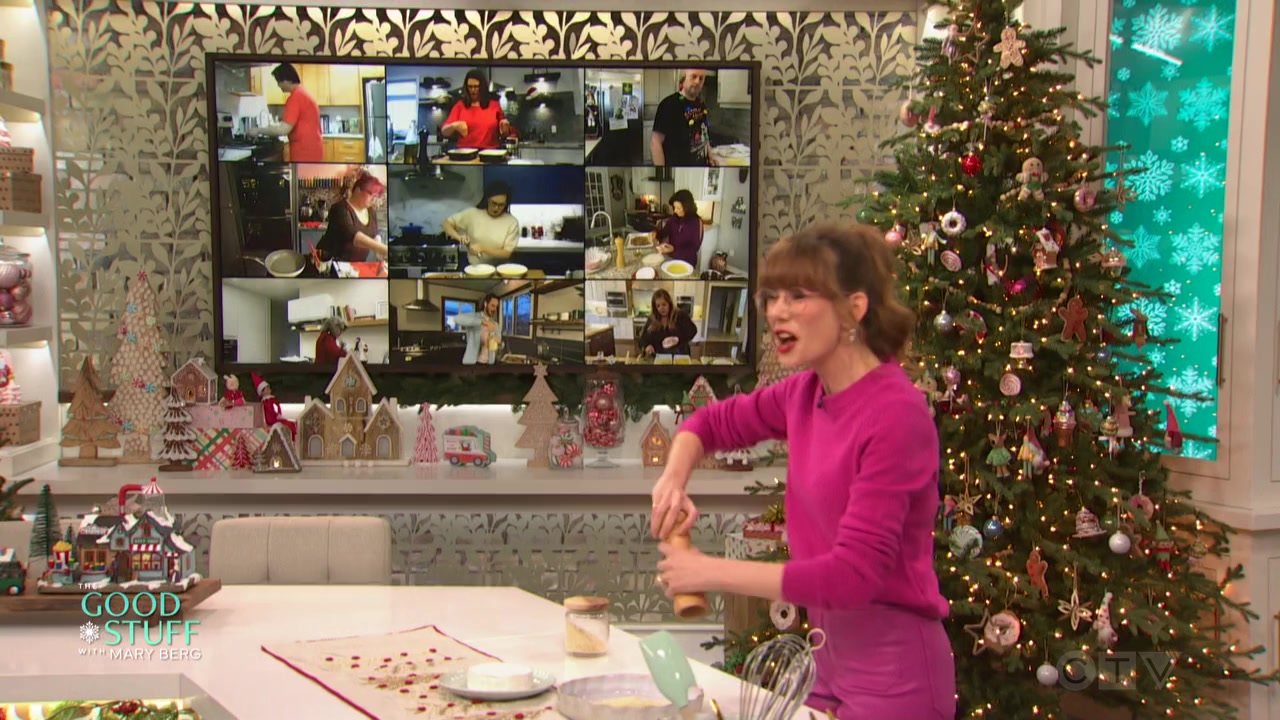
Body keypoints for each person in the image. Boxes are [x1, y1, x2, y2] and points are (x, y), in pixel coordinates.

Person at [649, 222, 955, 720]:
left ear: (854, 308)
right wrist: (672, 480)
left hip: (895, 673)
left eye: (798, 296)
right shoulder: (805, 392)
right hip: (825, 663)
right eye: (771, 297)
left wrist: (708, 571)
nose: (776, 312)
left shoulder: (896, 414)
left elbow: (853, 577)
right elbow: (708, 423)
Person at [250, 63, 324, 162]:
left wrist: (258, 130)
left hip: (304, 151)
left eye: (278, 81)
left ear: (286, 80)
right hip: (313, 149)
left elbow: (283, 130)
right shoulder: (303, 93)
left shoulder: (295, 97)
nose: (278, 85)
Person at [317, 168, 388, 262]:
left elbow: (375, 233)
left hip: (355, 266)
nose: (374, 200)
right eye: (371, 195)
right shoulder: (340, 209)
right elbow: (354, 236)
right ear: (358, 190)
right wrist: (384, 249)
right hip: (330, 263)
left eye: (376, 196)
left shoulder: (371, 212)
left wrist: (379, 252)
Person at [442, 181, 520, 265]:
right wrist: (459, 237)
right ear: (487, 200)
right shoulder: (472, 214)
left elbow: (506, 253)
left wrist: (482, 248)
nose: (496, 208)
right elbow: (446, 223)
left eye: (501, 205)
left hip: (499, 269)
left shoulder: (511, 222)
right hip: (474, 267)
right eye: (493, 203)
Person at [651, 69, 715, 166]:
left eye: (701, 78)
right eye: (694, 76)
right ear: (683, 79)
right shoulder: (669, 104)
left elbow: (705, 135)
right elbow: (655, 142)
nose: (698, 81)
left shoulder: (701, 104)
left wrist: (710, 156)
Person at [441, 68, 511, 150]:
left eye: (476, 87)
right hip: (465, 153)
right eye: (470, 87)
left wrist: (505, 129)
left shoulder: (494, 106)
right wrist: (454, 126)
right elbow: (444, 132)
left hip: (490, 152)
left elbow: (504, 133)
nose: (473, 90)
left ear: (482, 87)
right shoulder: (460, 106)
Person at [651, 189, 711, 267]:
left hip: (687, 263)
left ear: (687, 207)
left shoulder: (697, 223)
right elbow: (663, 233)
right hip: (672, 260)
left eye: (678, 208)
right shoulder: (673, 219)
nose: (675, 211)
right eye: (674, 207)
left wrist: (674, 250)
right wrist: (656, 233)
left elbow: (693, 250)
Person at [639, 289, 697, 357]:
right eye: (658, 306)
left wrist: (679, 340)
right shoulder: (652, 319)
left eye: (664, 304)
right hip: (660, 357)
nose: (661, 308)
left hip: (679, 356)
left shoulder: (680, 316)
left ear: (669, 303)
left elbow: (693, 331)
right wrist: (647, 346)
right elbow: (643, 338)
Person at [456, 293, 502, 365]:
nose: (494, 309)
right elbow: (457, 318)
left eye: (496, 307)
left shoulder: (495, 324)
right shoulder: (475, 317)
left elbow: (499, 340)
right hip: (473, 363)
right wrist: (483, 322)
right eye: (492, 306)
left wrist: (495, 339)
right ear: (485, 304)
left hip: (490, 363)